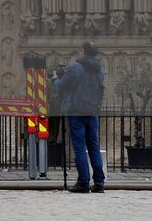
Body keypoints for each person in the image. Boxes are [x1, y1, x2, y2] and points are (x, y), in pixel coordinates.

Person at [53, 41, 106, 193]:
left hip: (76, 112)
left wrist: (55, 78)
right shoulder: (100, 70)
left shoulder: (76, 67)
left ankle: (83, 182)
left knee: (80, 148)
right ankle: (99, 182)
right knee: (94, 148)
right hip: (92, 112)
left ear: (83, 51)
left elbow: (62, 86)